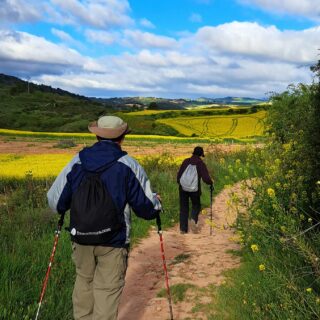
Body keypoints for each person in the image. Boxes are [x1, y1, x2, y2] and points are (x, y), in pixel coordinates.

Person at [47, 115, 162, 320]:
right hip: (114, 240)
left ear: (97, 136)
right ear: (122, 137)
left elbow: (55, 202)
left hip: (80, 237)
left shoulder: (77, 161)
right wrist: (157, 204)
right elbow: (146, 209)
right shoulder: (128, 165)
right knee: (107, 291)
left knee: (84, 282)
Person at [177, 146, 213, 234]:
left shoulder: (186, 161)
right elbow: (205, 178)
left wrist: (181, 184)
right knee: (196, 205)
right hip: (194, 189)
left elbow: (179, 175)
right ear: (201, 154)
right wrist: (211, 183)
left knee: (183, 208)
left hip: (183, 188)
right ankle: (193, 219)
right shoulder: (200, 163)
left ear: (193, 153)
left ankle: (183, 229)